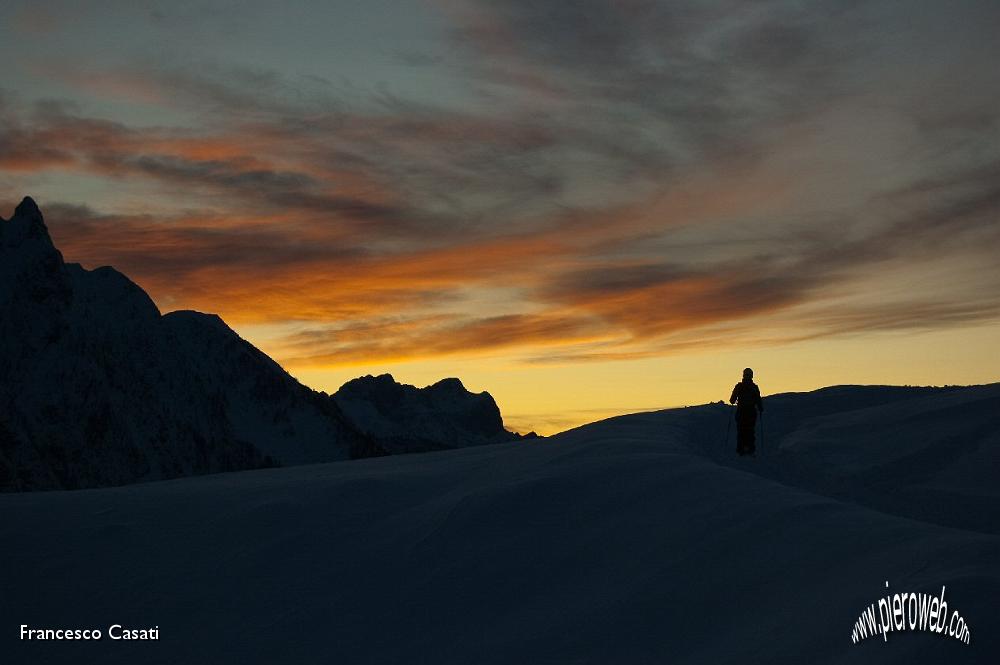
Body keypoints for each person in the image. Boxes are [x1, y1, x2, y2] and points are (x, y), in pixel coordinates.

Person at [729, 368, 763, 456]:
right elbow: (758, 400)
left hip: (741, 411)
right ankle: (750, 449)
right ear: (752, 376)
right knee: (750, 431)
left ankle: (740, 450)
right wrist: (760, 408)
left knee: (741, 430)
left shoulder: (739, 386)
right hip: (751, 412)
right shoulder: (754, 387)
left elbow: (732, 400)